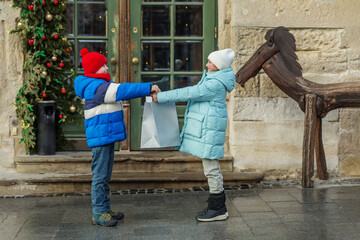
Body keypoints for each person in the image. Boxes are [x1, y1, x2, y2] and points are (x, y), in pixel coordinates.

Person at [74, 48, 160, 227]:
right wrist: (148, 87)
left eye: (106, 64)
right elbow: (123, 90)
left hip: (104, 136)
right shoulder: (97, 87)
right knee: (100, 175)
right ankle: (99, 211)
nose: (107, 68)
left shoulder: (98, 84)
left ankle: (104, 208)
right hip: (101, 137)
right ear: (94, 69)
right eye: (103, 65)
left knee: (104, 174)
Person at [152, 48, 236, 222]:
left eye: (210, 62)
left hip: (209, 130)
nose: (207, 64)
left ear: (218, 66)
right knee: (211, 168)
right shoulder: (214, 78)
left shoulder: (214, 84)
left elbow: (189, 93)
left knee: (211, 169)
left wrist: (161, 97)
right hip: (208, 129)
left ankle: (218, 208)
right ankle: (217, 205)